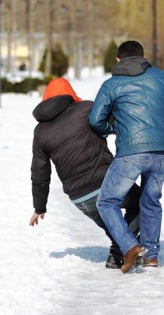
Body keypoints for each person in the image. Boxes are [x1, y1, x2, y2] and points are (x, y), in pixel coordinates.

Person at [88, 40, 164, 273]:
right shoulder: (161, 77)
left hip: (131, 151)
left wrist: (114, 128)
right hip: (162, 150)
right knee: (151, 201)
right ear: (143, 56)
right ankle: (150, 256)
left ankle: (129, 247)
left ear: (118, 59)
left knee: (107, 201)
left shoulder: (111, 84)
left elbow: (95, 119)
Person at [30, 77, 141, 269]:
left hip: (79, 197)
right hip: (106, 183)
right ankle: (119, 251)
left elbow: (40, 171)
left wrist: (39, 207)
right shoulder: (86, 109)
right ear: (70, 94)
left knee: (115, 228)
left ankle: (119, 254)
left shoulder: (40, 131)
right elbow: (118, 123)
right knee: (143, 203)